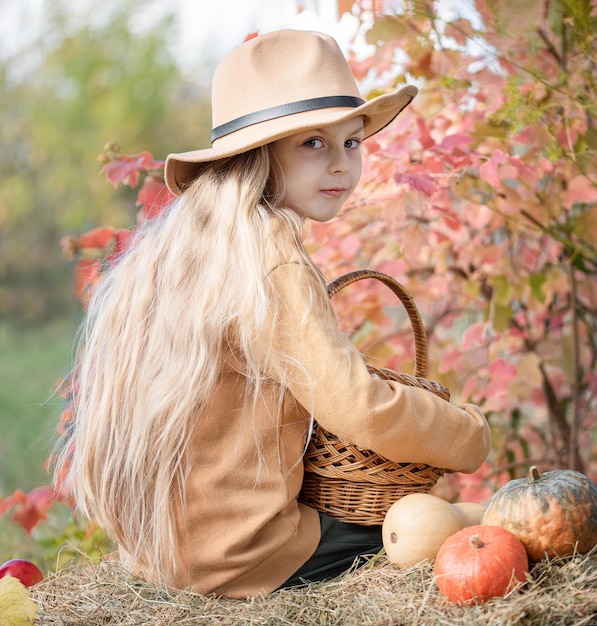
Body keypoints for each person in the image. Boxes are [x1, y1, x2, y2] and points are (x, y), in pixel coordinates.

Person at [55, 29, 491, 598]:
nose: (341, 165)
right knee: (452, 521)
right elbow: (358, 406)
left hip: (162, 549)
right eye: (313, 143)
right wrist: (468, 436)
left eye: (352, 143)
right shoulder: (271, 259)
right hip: (244, 552)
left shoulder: (188, 244)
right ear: (257, 154)